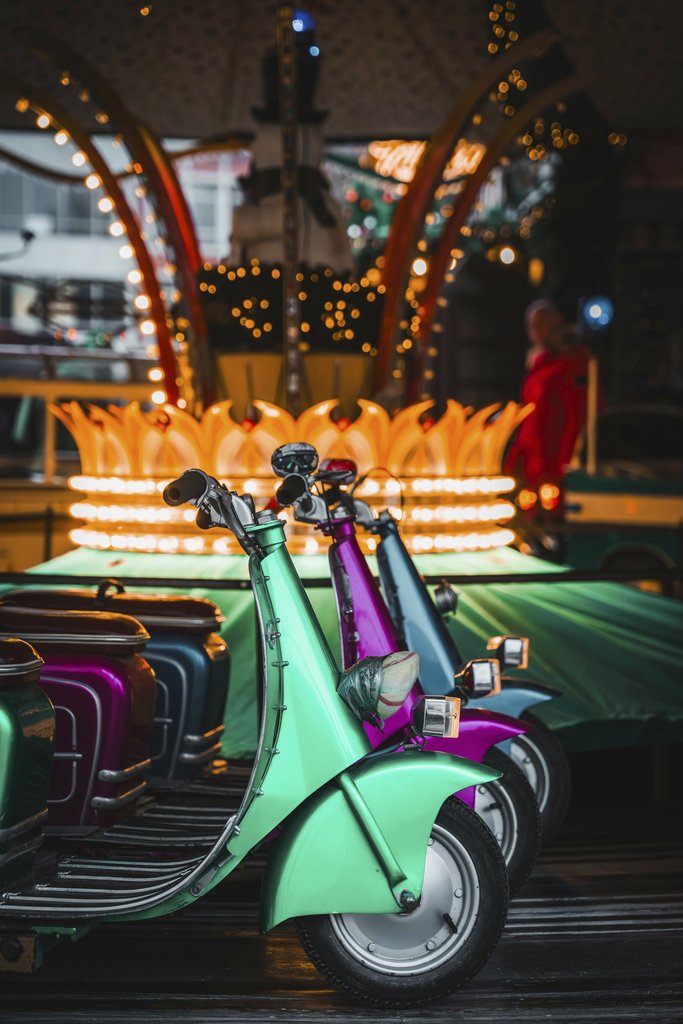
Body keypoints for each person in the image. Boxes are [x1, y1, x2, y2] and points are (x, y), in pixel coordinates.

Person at [506, 300, 593, 494]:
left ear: (556, 323)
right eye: (531, 324)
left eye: (541, 323)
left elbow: (576, 416)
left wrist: (564, 465)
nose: (534, 329)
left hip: (554, 460)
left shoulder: (572, 361)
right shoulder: (539, 364)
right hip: (536, 458)